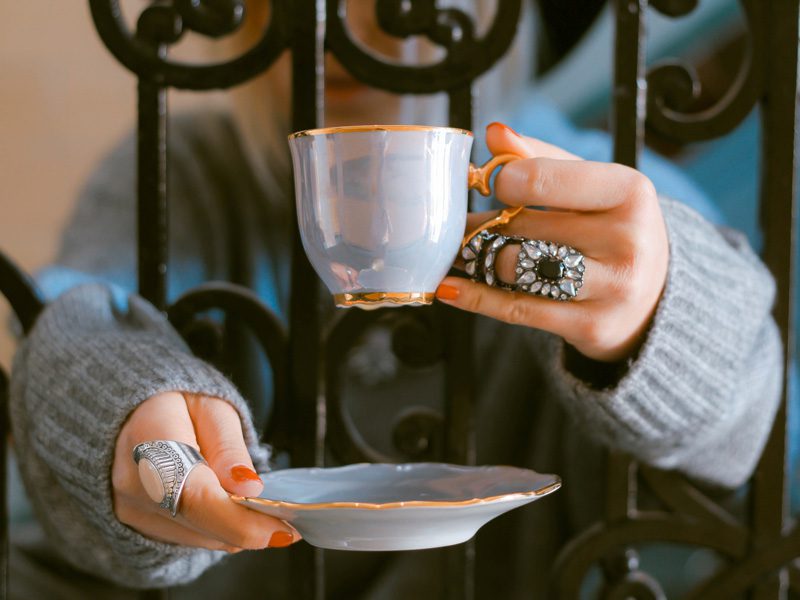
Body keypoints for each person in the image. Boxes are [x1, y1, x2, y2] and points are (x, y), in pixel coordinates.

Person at [7, 1, 782, 598]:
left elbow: (762, 428)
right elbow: (73, 318)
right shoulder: (189, 168)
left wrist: (658, 324)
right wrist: (117, 410)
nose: (343, 22)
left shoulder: (593, 192)